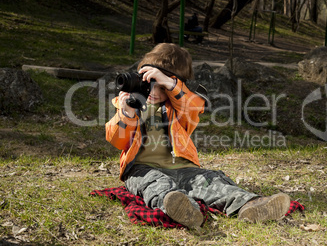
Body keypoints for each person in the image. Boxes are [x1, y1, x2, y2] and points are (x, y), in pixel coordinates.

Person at [105, 43, 290, 229]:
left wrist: (171, 84)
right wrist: (126, 114)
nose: (154, 92)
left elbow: (193, 107)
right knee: (157, 185)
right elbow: (118, 140)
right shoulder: (129, 106)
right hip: (142, 169)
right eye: (149, 84)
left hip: (184, 168)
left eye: (162, 87)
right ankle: (185, 210)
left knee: (210, 180)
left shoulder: (178, 109)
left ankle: (251, 205)